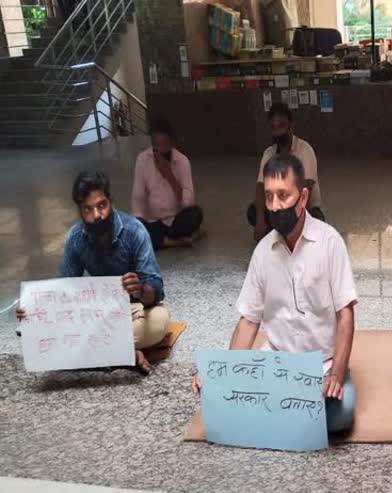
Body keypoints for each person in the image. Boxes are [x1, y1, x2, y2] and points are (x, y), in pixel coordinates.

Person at [197, 153, 357, 433]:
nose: (275, 205)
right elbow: (249, 320)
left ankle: (280, 409)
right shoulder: (262, 253)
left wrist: (336, 374)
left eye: (283, 195)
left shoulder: (330, 242)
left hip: (321, 365)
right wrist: (225, 372)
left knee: (341, 415)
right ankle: (284, 408)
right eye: (269, 197)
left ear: (303, 197)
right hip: (276, 362)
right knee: (224, 396)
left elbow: (345, 314)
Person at [17, 171, 170, 374]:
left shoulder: (135, 231)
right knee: (29, 330)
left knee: (159, 321)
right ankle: (119, 352)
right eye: (88, 209)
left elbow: (157, 289)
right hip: (95, 315)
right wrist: (34, 310)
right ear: (79, 211)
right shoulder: (75, 238)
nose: (97, 215)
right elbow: (64, 290)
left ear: (111, 202)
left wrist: (141, 290)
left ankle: (98, 351)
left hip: (133, 311)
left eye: (101, 205)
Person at [248, 103, 324, 243]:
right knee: (253, 211)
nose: (278, 132)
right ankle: (278, 230)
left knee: (315, 220)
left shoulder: (305, 150)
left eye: (282, 126)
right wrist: (260, 221)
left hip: (303, 208)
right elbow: (260, 187)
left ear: (291, 125)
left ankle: (282, 231)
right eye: (274, 128)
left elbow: (305, 189)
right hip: (277, 208)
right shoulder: (268, 153)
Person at [132, 119, 204, 250]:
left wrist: (169, 175)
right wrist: (139, 223)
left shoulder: (182, 161)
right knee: (135, 232)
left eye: (164, 144)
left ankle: (164, 240)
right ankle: (176, 242)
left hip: (175, 220)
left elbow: (188, 203)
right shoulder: (143, 160)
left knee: (195, 214)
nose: (160, 150)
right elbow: (138, 199)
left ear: (172, 143)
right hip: (153, 221)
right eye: (156, 145)